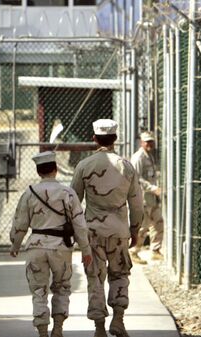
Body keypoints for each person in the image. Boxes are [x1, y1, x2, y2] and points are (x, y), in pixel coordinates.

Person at [70, 119, 143, 337]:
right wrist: (135, 229)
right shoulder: (126, 165)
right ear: (115, 139)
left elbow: (74, 202)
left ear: (94, 138)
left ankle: (99, 327)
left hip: (92, 232)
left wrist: (76, 233)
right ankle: (118, 320)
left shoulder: (84, 165)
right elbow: (137, 203)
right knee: (120, 275)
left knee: (95, 277)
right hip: (119, 231)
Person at [10, 151, 93, 337]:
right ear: (55, 170)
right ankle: (58, 328)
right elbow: (80, 225)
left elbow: (20, 223)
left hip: (36, 247)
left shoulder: (29, 192)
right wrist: (86, 250)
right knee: (62, 287)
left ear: (39, 171)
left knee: (39, 291)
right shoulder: (68, 193)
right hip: (60, 248)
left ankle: (42, 331)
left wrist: (15, 245)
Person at [129, 131, 164, 263]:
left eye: (151, 141)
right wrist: (152, 188)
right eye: (147, 141)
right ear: (141, 143)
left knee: (158, 222)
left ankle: (155, 250)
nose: (149, 144)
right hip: (142, 197)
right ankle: (133, 252)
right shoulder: (139, 157)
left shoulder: (149, 156)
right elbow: (136, 178)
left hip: (151, 198)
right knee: (143, 227)